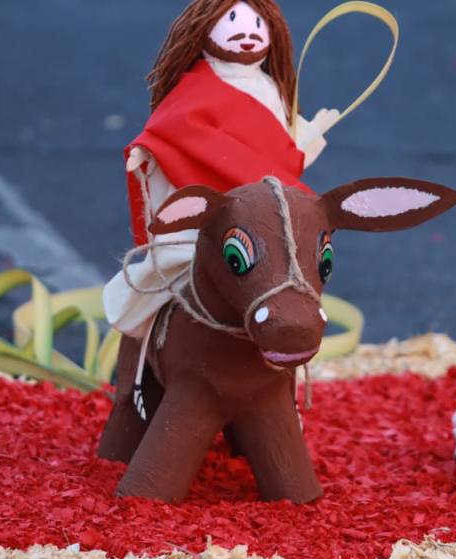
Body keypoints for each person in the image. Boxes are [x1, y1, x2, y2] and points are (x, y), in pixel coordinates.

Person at [103, 0, 338, 340]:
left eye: (258, 25)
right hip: (213, 196)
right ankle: (156, 347)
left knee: (281, 262)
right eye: (232, 21)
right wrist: (152, 149)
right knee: (194, 261)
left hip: (263, 200)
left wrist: (305, 138)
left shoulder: (271, 87)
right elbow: (177, 127)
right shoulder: (197, 86)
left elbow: (276, 149)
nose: (246, 34)